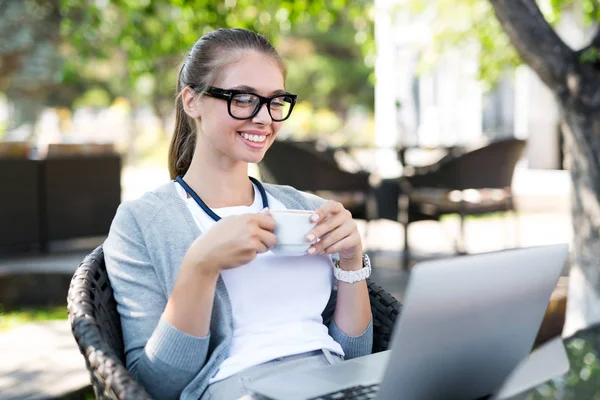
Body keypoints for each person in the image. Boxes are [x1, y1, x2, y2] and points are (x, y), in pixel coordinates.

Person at [104, 28, 373, 400]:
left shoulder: (305, 209)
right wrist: (200, 266)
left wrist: (351, 260)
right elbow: (157, 386)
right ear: (192, 101)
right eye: (244, 99)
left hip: (335, 385)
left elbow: (356, 356)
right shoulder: (142, 223)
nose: (265, 119)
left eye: (276, 101)